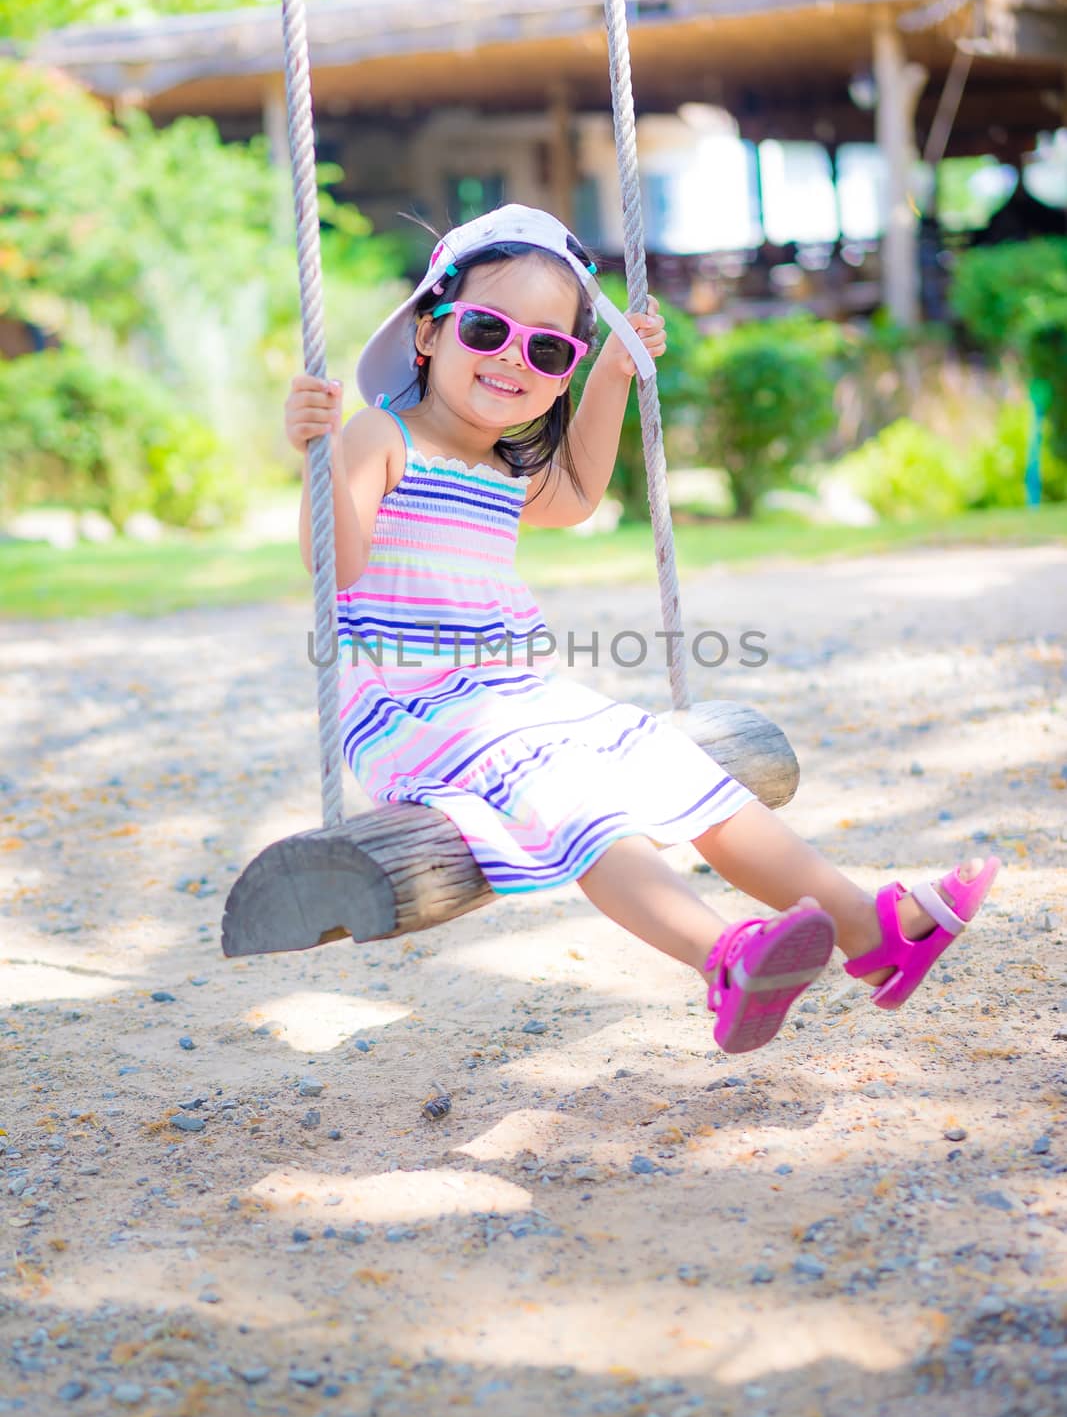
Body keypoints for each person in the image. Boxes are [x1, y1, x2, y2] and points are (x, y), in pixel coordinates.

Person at [285, 205, 1000, 1054]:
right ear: (429, 335)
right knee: (575, 799)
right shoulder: (382, 437)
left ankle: (872, 931)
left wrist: (614, 373)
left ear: (558, 374)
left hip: (512, 697)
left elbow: (580, 492)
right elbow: (341, 564)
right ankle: (721, 957)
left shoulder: (502, 468)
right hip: (414, 708)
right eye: (487, 328)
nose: (514, 356)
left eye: (546, 349)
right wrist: (320, 455)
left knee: (671, 761)